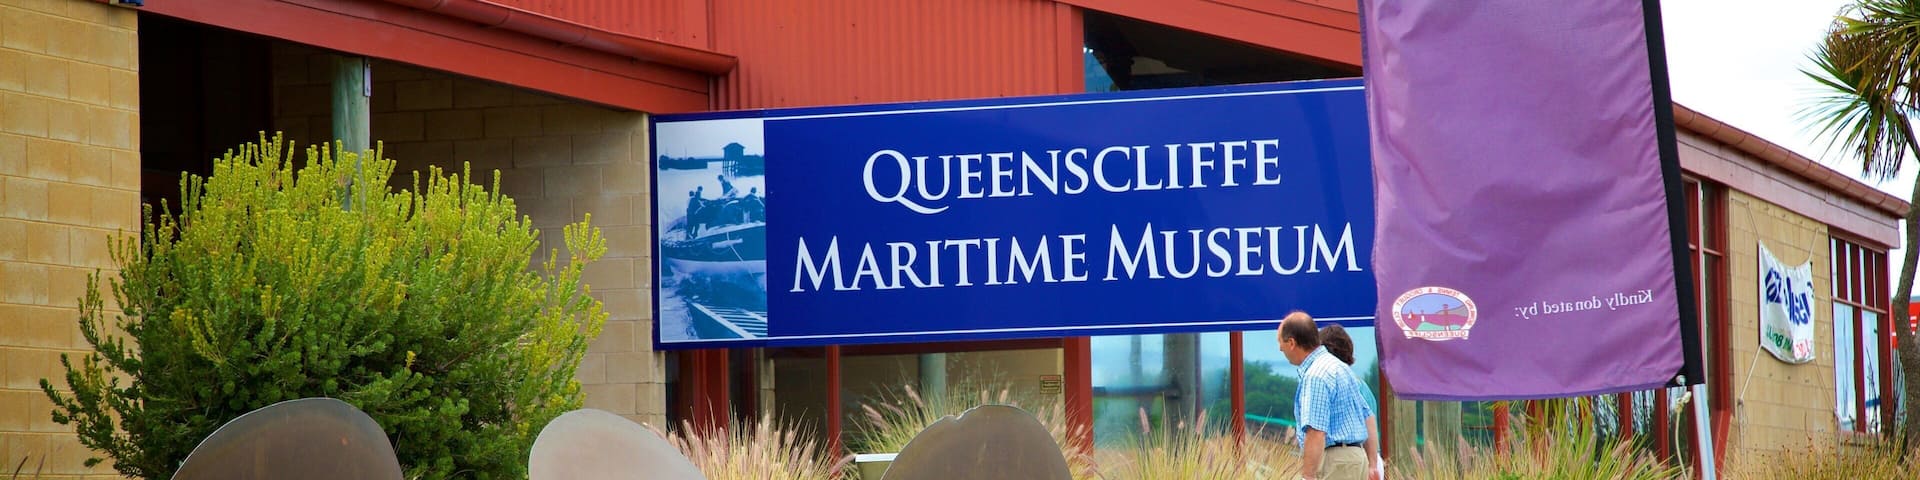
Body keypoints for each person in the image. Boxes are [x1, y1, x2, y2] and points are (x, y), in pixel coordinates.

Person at [1279, 311, 1376, 480]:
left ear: (1292, 342)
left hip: (1334, 462)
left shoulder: (1316, 375)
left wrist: (1308, 476)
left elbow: (1316, 431)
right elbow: (1367, 416)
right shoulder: (1340, 368)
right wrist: (1373, 464)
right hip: (1356, 459)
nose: (1280, 348)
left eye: (1281, 342)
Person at [1319, 324, 1386, 480]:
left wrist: (1371, 464)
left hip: (1354, 461)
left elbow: (1368, 424)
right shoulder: (1362, 386)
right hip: (1369, 459)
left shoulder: (1342, 385)